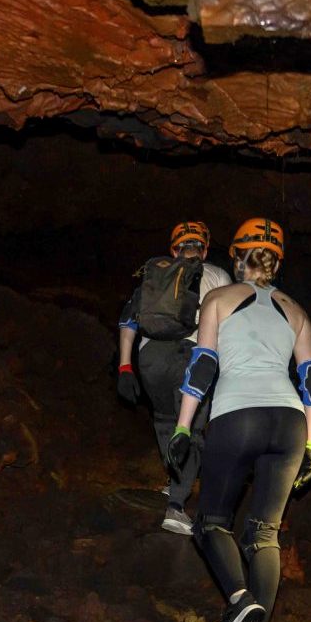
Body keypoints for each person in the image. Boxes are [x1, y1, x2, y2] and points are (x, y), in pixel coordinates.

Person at [167, 218, 311, 622]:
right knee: (265, 532)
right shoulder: (296, 310)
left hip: (239, 415)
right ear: (275, 262)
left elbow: (202, 366)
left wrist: (182, 427)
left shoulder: (217, 298)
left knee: (212, 522)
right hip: (290, 421)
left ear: (236, 257)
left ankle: (239, 600)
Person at [117, 221, 231, 535]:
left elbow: (128, 321)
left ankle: (174, 481)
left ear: (174, 248)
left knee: (165, 419)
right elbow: (228, 321)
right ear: (205, 249)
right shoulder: (217, 275)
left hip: (149, 356)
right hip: (192, 355)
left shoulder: (156, 274)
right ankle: (177, 507)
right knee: (191, 427)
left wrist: (125, 367)